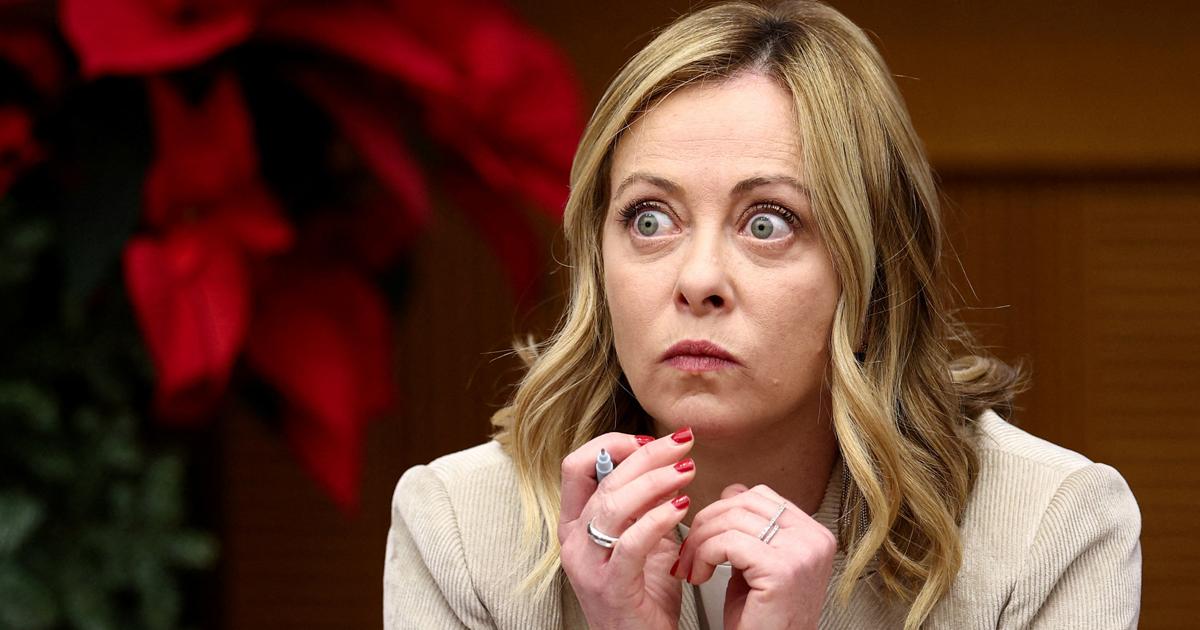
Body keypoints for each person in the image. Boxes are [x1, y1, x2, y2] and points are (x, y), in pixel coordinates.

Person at [383, 1, 1142, 628]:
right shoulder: (462, 529)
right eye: (649, 219)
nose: (699, 280)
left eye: (768, 222)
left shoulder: (1050, 528)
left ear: (874, 277)